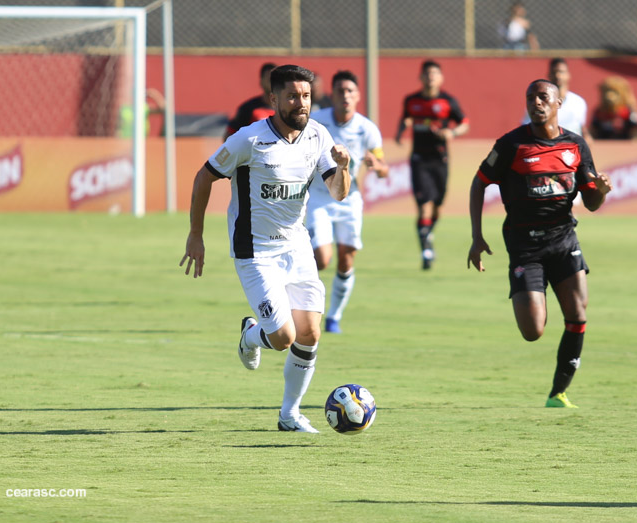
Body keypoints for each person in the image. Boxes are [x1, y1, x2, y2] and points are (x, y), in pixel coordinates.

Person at [180, 65, 351, 433]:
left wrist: (344, 168)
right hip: (255, 252)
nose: (300, 103)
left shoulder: (318, 136)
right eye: (291, 95)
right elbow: (204, 176)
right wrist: (196, 233)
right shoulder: (249, 139)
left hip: (297, 247)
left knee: (310, 333)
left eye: (305, 95)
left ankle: (290, 415)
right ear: (273, 99)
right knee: (283, 337)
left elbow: (338, 192)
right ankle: (250, 334)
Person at [467, 79, 612, 408]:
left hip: (564, 241)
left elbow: (590, 201)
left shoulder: (575, 146)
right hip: (525, 248)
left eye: (543, 97)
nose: (537, 103)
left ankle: (558, 392)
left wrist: (600, 191)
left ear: (559, 104)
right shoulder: (510, 145)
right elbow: (479, 184)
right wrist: (477, 236)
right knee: (533, 331)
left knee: (577, 313)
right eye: (531, 97)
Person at [307, 70, 389, 334]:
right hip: (319, 196)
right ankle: (305, 301)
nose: (345, 96)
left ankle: (334, 317)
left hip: (349, 198)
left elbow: (383, 167)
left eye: (350, 91)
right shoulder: (316, 121)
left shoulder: (367, 129)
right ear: (332, 94)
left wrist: (377, 166)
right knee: (322, 259)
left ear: (358, 96)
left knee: (346, 261)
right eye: (340, 91)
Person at [395, 59, 469, 270]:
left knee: (437, 207)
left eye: (434, 74)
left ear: (440, 78)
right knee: (424, 205)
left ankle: (428, 232)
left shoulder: (447, 101)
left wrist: (451, 132)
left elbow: (464, 122)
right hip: (419, 159)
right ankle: (426, 250)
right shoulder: (411, 100)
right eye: (426, 74)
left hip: (440, 159)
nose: (430, 78)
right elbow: (406, 118)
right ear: (421, 77)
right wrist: (401, 131)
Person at [521, 58, 591, 142]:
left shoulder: (579, 102)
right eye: (554, 72)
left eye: (561, 72)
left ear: (568, 75)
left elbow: (582, 129)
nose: (558, 76)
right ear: (549, 75)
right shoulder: (538, 104)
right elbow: (525, 129)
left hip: (570, 151)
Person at [223, 62, 277, 140]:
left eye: (275, 80)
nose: (273, 83)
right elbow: (229, 136)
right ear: (261, 82)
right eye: (269, 79)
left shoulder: (285, 108)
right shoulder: (249, 108)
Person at [590, 76, 637, 140]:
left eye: (614, 92)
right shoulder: (600, 112)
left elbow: (635, 129)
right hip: (604, 143)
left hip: (625, 144)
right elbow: (594, 129)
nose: (609, 95)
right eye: (607, 91)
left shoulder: (629, 111)